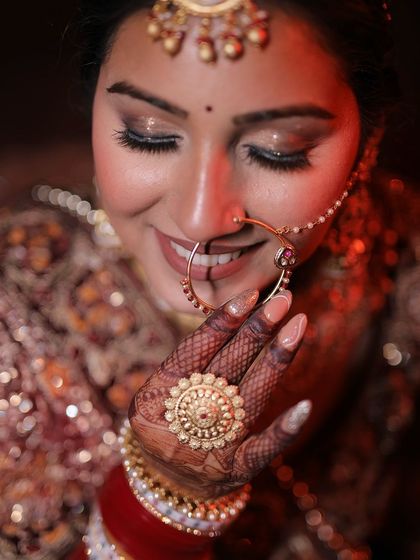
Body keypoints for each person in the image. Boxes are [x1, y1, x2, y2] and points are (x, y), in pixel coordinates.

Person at [1, 0, 419, 558]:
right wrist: (156, 511)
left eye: (279, 152)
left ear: (367, 143)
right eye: (148, 134)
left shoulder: (397, 250)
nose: (200, 218)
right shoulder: (14, 314)